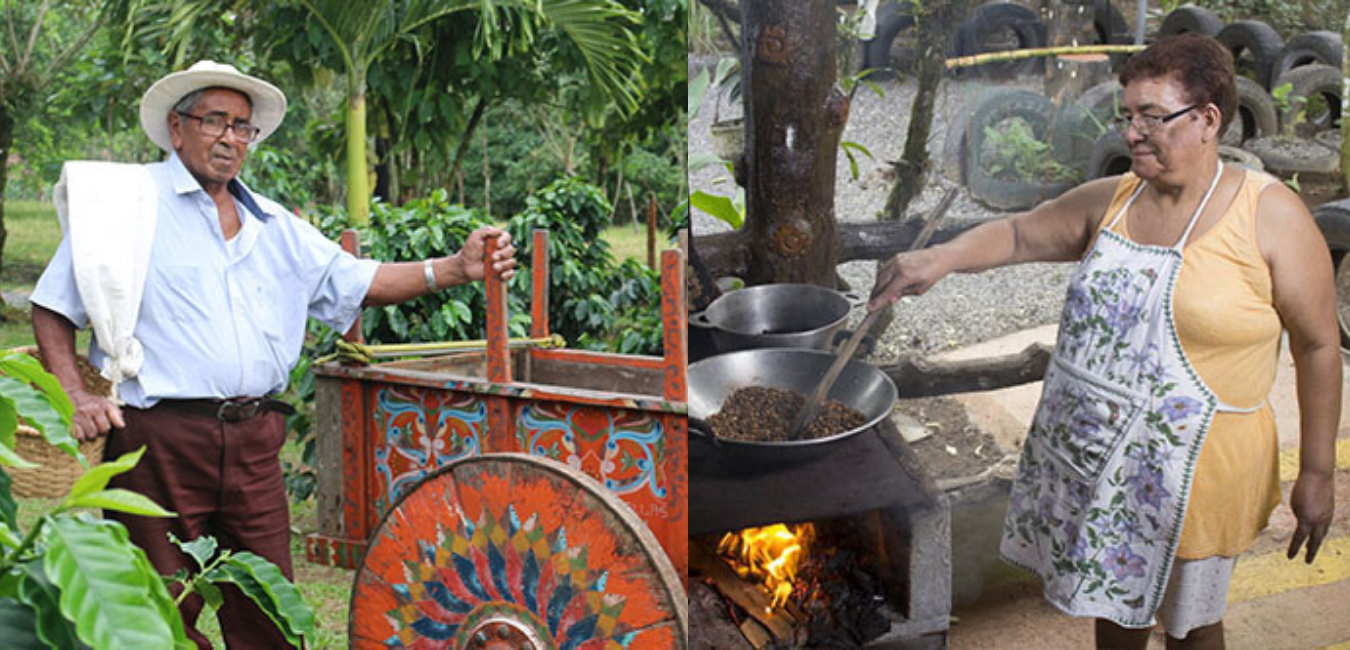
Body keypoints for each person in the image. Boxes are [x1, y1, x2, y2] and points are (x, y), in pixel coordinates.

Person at [870, 34, 1339, 649]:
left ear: (1207, 120)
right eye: (1127, 117)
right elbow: (1017, 234)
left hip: (1198, 472)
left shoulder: (1270, 215)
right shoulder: (1116, 200)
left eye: (1151, 117)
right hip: (1104, 465)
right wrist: (939, 257)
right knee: (1114, 609)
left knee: (1189, 626)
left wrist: (1318, 471)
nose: (1132, 133)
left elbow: (1318, 346)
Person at [30, 61, 517, 648]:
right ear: (176, 127)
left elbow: (357, 279)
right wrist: (75, 393)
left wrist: (455, 269)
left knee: (267, 607)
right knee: (156, 609)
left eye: (242, 127)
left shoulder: (274, 224)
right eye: (216, 121)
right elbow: (54, 306)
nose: (231, 138)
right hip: (157, 440)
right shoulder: (127, 209)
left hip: (255, 440)